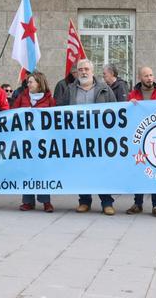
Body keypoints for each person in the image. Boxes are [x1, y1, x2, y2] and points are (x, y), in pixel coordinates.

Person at [59, 59, 118, 215]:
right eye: (80, 70)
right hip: (77, 138)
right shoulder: (70, 90)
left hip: (100, 139)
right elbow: (60, 111)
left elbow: (116, 111)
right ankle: (84, 201)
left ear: (92, 71)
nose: (83, 72)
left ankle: (107, 202)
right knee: (81, 170)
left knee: (102, 170)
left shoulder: (105, 89)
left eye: (86, 69)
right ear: (76, 72)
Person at [126, 66, 156, 217]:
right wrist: (129, 106)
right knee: (139, 170)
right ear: (140, 78)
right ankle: (138, 203)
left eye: (151, 75)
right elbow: (127, 116)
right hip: (138, 138)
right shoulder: (133, 94)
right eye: (146, 76)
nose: (149, 78)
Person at [12, 71, 56, 213]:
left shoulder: (49, 99)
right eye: (28, 82)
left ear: (39, 83)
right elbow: (13, 113)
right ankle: (27, 201)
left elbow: (55, 119)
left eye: (31, 82)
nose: (28, 84)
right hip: (25, 141)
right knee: (27, 169)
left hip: (43, 142)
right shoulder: (22, 97)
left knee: (42, 170)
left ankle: (46, 201)